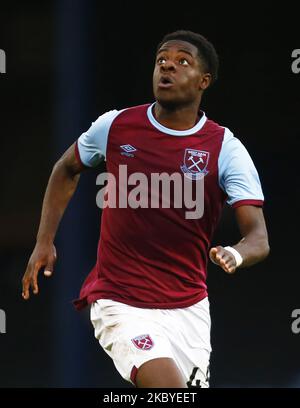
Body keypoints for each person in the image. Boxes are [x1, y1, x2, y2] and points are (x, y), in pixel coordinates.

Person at [22, 30, 270, 388]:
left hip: (189, 310)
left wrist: (236, 253)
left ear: (204, 81)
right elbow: (66, 168)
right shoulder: (115, 126)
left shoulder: (225, 149)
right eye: (161, 60)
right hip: (120, 301)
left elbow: (258, 236)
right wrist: (44, 241)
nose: (168, 65)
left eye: (182, 61)